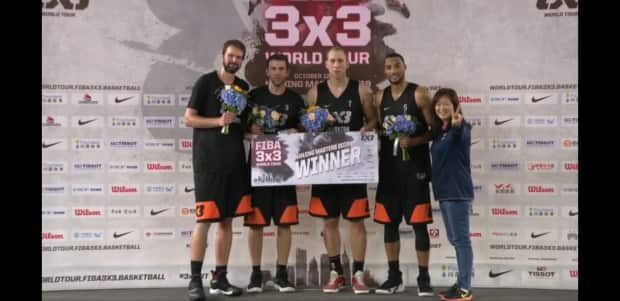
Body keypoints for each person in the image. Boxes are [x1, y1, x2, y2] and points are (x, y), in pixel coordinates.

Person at [184, 39, 253, 301]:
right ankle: (194, 280)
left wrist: (253, 133)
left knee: (227, 221)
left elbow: (242, 127)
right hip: (208, 163)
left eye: (239, 57)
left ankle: (220, 278)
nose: (234, 60)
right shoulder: (205, 82)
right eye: (231, 55)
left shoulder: (244, 88)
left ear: (242, 60)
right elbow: (189, 118)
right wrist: (218, 120)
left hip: (234, 163)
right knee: (204, 221)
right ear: (222, 55)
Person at [305, 46, 378, 294]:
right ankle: (336, 272)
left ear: (347, 64)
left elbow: (372, 121)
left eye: (340, 61)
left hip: (353, 166)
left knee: (356, 221)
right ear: (326, 64)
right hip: (325, 166)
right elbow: (308, 129)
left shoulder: (361, 90)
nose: (336, 65)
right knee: (330, 220)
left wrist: (369, 128)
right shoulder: (315, 93)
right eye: (332, 61)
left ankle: (357, 273)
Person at [373, 53, 435, 296]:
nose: (393, 70)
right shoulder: (380, 97)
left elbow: (433, 131)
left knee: (419, 225)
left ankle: (423, 278)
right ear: (384, 71)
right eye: (388, 67)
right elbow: (378, 129)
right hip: (388, 171)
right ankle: (394, 277)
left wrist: (415, 140)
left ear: (404, 67)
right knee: (389, 224)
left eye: (396, 65)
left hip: (415, 171)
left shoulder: (419, 93)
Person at [244, 54, 305, 293]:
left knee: (285, 223)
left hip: (285, 170)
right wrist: (252, 133)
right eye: (274, 69)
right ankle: (256, 274)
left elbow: (306, 133)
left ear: (287, 73)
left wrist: (295, 131)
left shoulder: (295, 100)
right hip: (259, 168)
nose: (278, 72)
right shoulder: (253, 97)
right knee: (256, 224)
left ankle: (281, 274)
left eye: (282, 69)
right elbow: (242, 130)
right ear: (267, 72)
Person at [430, 88, 474, 301]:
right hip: (445, 193)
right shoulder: (441, 131)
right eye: (438, 104)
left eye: (446, 103)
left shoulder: (460, 127)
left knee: (462, 241)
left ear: (455, 105)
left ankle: (465, 287)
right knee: (456, 240)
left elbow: (460, 133)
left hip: (457, 193)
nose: (441, 108)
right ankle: (461, 283)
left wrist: (457, 126)